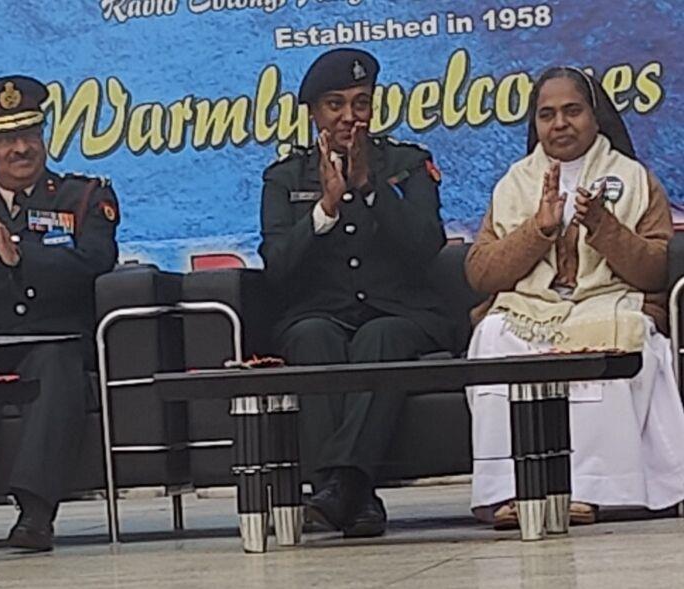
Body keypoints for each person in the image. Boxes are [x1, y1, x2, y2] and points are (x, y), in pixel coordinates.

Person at [465, 66, 684, 528]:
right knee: (492, 334)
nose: (560, 123)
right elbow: (481, 273)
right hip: (532, 310)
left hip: (609, 302)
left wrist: (604, 227)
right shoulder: (514, 183)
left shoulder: (634, 179)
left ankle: (592, 489)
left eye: (572, 111)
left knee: (624, 333)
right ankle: (512, 491)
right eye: (547, 114)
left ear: (595, 116)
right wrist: (538, 229)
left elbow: (655, 271)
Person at [259, 48, 457, 538]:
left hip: (400, 312)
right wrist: (323, 211)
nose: (350, 116)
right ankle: (357, 497)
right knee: (312, 337)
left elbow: (425, 245)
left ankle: (339, 487)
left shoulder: (408, 164)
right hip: (319, 312)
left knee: (380, 337)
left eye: (361, 103)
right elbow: (276, 266)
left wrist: (370, 188)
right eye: (336, 105)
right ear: (313, 113)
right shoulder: (285, 177)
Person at [0, 75, 119, 551]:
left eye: (30, 134)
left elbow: (97, 260)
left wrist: (21, 258)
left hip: (56, 337)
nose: (21, 148)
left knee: (54, 367)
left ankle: (35, 511)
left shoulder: (84, 197)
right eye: (5, 139)